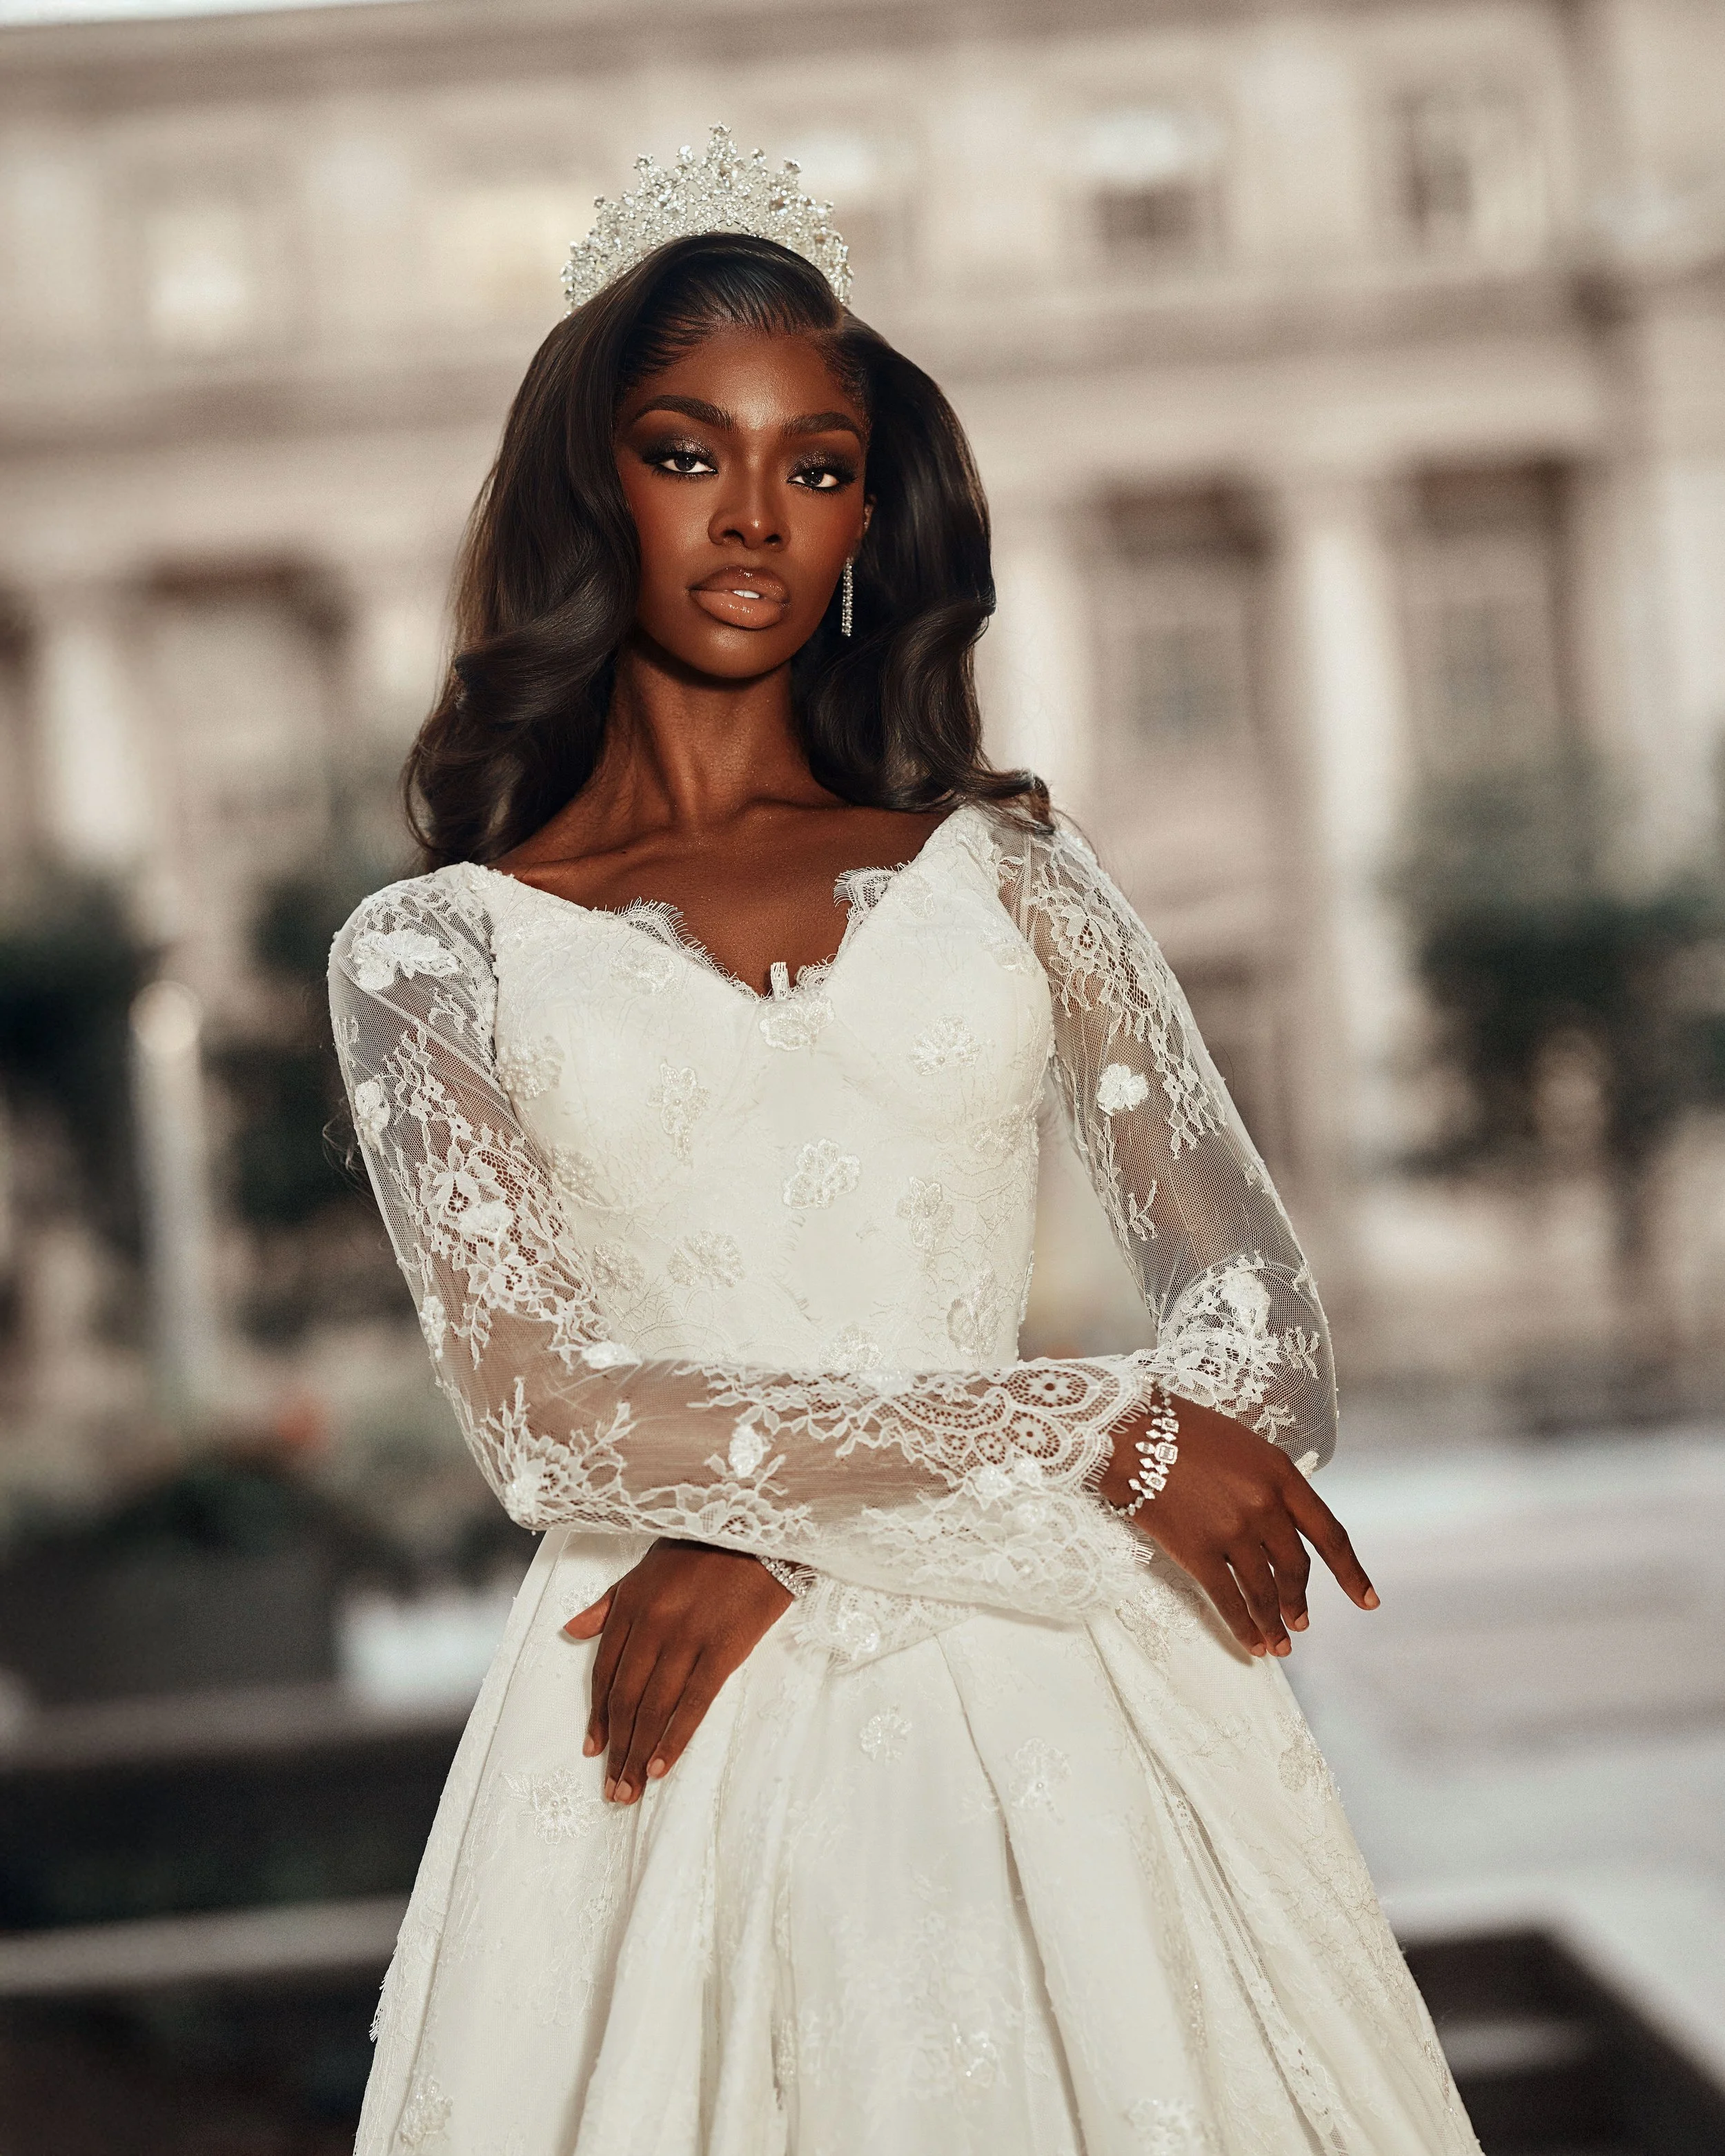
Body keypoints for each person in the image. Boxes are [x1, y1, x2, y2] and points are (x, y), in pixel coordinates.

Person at [331, 130, 1477, 2156]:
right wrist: (1082, 1435)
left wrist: (774, 1527)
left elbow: (1261, 1330)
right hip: (663, 1735)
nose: (758, 516)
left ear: (874, 509)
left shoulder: (1014, 876)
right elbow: (544, 1419)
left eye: (820, 462)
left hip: (1076, 1713)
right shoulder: (430, 955)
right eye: (689, 451)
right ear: (585, 482)